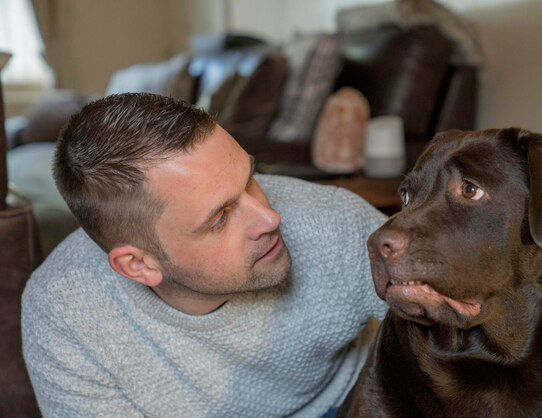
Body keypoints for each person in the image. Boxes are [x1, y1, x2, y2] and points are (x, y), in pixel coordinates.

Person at [21, 93, 388, 417]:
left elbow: (443, 328)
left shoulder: (333, 221)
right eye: (221, 217)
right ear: (138, 265)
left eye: (250, 178)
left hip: (345, 405)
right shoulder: (62, 313)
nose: (270, 218)